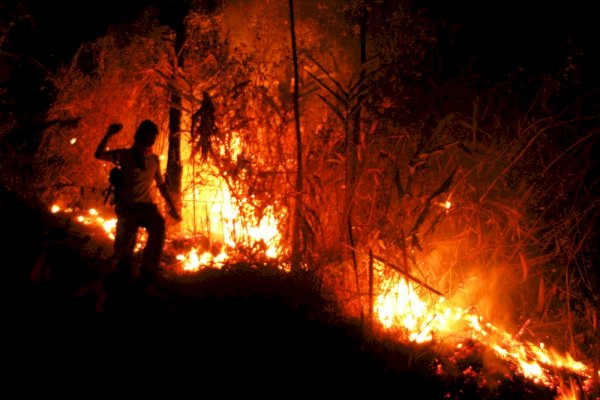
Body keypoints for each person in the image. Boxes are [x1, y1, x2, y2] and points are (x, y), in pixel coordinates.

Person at [95, 119, 181, 291]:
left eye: (152, 138)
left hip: (146, 207)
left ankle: (147, 273)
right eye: (146, 137)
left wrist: (171, 206)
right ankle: (121, 281)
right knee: (122, 251)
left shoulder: (154, 160)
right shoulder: (124, 155)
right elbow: (99, 154)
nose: (149, 141)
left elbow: (161, 185)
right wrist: (109, 134)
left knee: (159, 226)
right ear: (139, 137)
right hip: (127, 209)